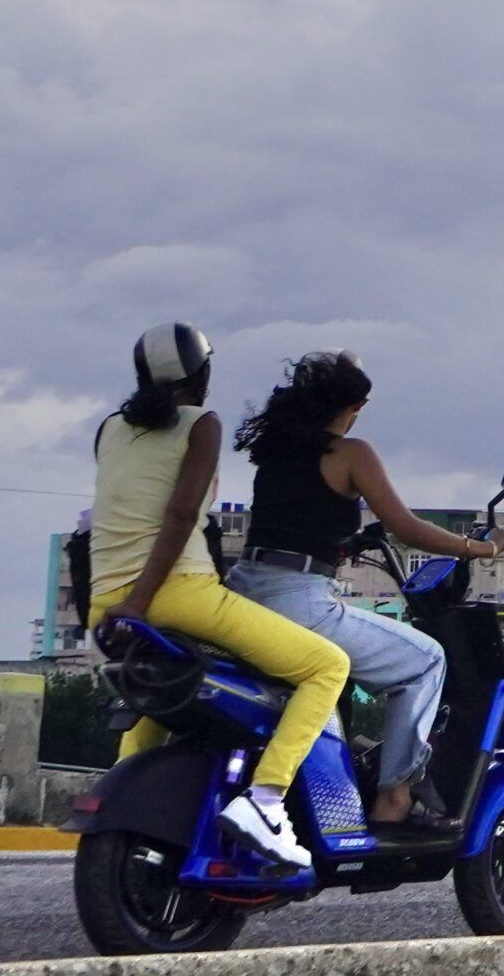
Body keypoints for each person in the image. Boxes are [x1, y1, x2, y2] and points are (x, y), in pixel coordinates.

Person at [91, 323, 350, 870]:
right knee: (327, 667)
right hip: (176, 593)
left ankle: (121, 801)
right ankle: (267, 801)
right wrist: (141, 601)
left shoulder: (109, 429)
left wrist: (126, 604)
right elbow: (181, 514)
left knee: (167, 686)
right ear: (202, 374)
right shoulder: (201, 424)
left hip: (102, 600)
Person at [229, 350, 504, 838]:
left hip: (242, 591)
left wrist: (342, 541)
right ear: (352, 407)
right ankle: (394, 795)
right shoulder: (351, 453)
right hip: (298, 600)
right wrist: (481, 548)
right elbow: (406, 527)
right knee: (425, 660)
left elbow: (295, 518)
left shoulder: (275, 452)